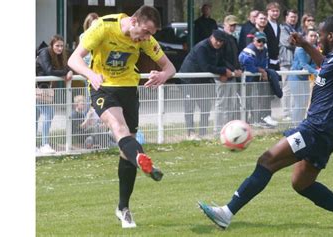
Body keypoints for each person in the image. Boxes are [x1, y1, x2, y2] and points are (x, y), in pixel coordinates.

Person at [198, 16, 333, 237]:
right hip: (328, 131)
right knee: (302, 184)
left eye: (320, 35)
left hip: (316, 129)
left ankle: (226, 212)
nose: (318, 39)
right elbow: (325, 63)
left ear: (331, 36)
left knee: (267, 160)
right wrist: (304, 44)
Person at [68, 5, 176, 228]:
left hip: (128, 89)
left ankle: (123, 208)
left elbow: (170, 66)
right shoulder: (104, 27)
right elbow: (73, 59)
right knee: (119, 128)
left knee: (125, 150)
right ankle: (142, 158)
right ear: (134, 21)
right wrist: (90, 74)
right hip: (103, 87)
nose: (146, 38)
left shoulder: (144, 38)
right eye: (145, 32)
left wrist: (162, 75)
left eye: (150, 35)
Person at [179, 30, 240, 140]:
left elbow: (221, 62)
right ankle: (190, 132)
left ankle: (203, 132)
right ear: (212, 37)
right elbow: (205, 66)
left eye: (221, 41)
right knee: (190, 106)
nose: (219, 43)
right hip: (189, 79)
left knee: (205, 105)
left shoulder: (219, 48)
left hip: (203, 80)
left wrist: (232, 70)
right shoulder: (202, 47)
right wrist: (223, 71)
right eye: (217, 40)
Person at [36, 34, 73, 154]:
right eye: (57, 46)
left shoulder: (60, 56)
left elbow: (66, 65)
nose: (60, 48)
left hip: (43, 89)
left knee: (36, 116)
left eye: (62, 46)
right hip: (37, 88)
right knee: (48, 113)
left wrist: (68, 70)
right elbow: (49, 70)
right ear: (51, 45)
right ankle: (44, 144)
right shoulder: (44, 53)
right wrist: (66, 72)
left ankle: (40, 144)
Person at [214, 16, 243, 134]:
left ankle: (228, 129)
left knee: (231, 104)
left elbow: (235, 58)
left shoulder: (234, 39)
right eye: (230, 25)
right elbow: (220, 58)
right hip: (224, 75)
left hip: (233, 75)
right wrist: (232, 70)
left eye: (234, 25)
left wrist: (238, 69)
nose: (232, 27)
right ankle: (218, 130)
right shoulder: (221, 39)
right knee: (222, 103)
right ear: (225, 24)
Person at [287, 28, 318, 124]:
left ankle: (300, 124)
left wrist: (311, 69)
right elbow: (303, 64)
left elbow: (313, 64)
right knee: (299, 103)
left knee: (304, 103)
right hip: (295, 78)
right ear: (305, 37)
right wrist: (317, 73)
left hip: (304, 78)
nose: (313, 38)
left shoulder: (313, 48)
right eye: (311, 36)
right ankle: (295, 124)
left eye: (315, 36)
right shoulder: (300, 48)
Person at [238, 31, 269, 127]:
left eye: (263, 41)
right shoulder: (249, 50)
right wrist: (260, 70)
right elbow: (249, 66)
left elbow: (264, 64)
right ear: (254, 40)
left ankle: (253, 121)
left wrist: (262, 70)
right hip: (244, 81)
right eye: (259, 41)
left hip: (254, 80)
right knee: (244, 102)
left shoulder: (264, 50)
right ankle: (243, 122)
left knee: (254, 101)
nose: (261, 43)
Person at [279, 9, 300, 121]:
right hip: (286, 62)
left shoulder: (295, 29)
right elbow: (287, 42)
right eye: (291, 17)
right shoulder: (283, 29)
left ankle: (292, 112)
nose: (293, 19)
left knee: (294, 88)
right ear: (286, 17)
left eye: (295, 17)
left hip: (295, 63)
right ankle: (285, 113)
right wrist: (298, 42)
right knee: (286, 88)